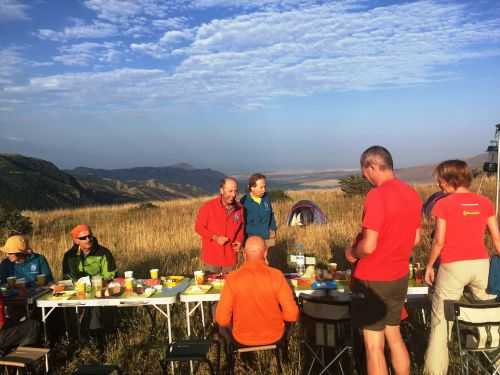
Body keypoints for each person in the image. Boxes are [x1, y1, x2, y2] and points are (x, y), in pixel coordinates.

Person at [345, 145, 422, 375]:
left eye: (364, 170)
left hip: (373, 278)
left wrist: (352, 252)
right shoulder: (411, 193)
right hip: (399, 275)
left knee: (373, 346)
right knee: (395, 336)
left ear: (372, 166)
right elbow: (416, 239)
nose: (363, 176)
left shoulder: (377, 195)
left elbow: (368, 246)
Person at [423, 160, 500, 375]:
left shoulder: (443, 204)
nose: (438, 185)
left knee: (440, 324)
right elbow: (496, 238)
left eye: (440, 180)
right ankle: (495, 366)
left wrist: (430, 265)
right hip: (481, 265)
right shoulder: (484, 202)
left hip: (452, 266)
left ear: (450, 181)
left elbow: (439, 240)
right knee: (489, 317)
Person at [215, 236, 298, 347]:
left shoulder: (232, 278)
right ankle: (283, 353)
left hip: (241, 338)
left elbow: (222, 319)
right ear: (265, 253)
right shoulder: (277, 275)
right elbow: (292, 315)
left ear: (244, 254)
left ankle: (232, 357)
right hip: (275, 337)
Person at [62, 224, 117, 338]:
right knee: (65, 307)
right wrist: (79, 283)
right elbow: (67, 277)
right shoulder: (69, 256)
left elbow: (111, 274)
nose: (88, 239)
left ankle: (96, 336)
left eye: (89, 236)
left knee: (95, 304)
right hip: (77, 291)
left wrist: (94, 282)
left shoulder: (103, 252)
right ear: (76, 240)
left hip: (99, 289)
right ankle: (72, 337)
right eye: (83, 238)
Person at [195, 177, 244, 273]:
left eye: (235, 191)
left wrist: (239, 240)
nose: (233, 195)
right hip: (212, 258)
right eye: (230, 191)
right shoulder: (208, 207)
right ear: (221, 190)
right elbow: (198, 227)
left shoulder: (240, 208)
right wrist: (215, 237)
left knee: (229, 286)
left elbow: (241, 227)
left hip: (230, 258)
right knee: (211, 286)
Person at [240, 173, 277, 247]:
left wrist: (273, 229)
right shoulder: (244, 202)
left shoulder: (266, 198)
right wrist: (266, 232)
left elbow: (271, 214)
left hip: (268, 239)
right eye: (261, 187)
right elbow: (243, 225)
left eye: (265, 187)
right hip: (252, 241)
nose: (264, 190)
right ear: (252, 188)